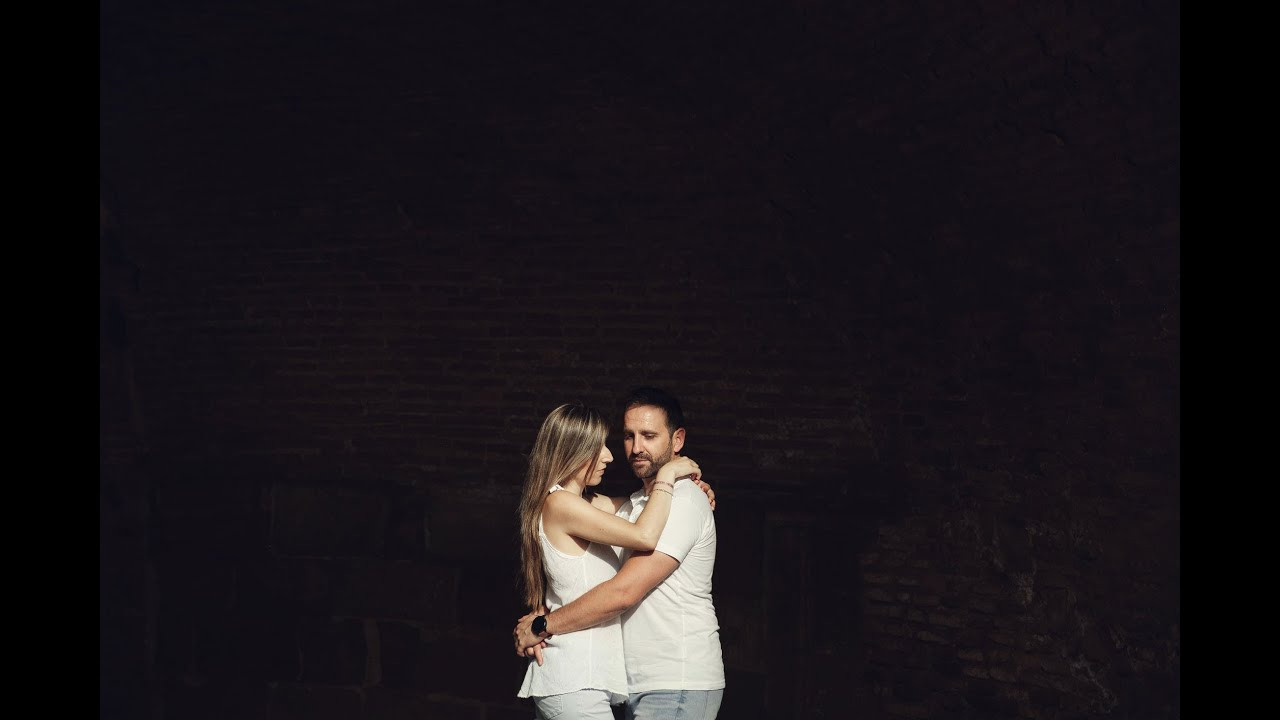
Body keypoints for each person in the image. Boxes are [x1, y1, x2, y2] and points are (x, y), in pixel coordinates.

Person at [515, 387, 724, 720]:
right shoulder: (634, 506)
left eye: (649, 435)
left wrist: (542, 624)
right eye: (628, 436)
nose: (634, 448)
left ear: (678, 440)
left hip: (675, 679)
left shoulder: (682, 502)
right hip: (627, 683)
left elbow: (623, 592)